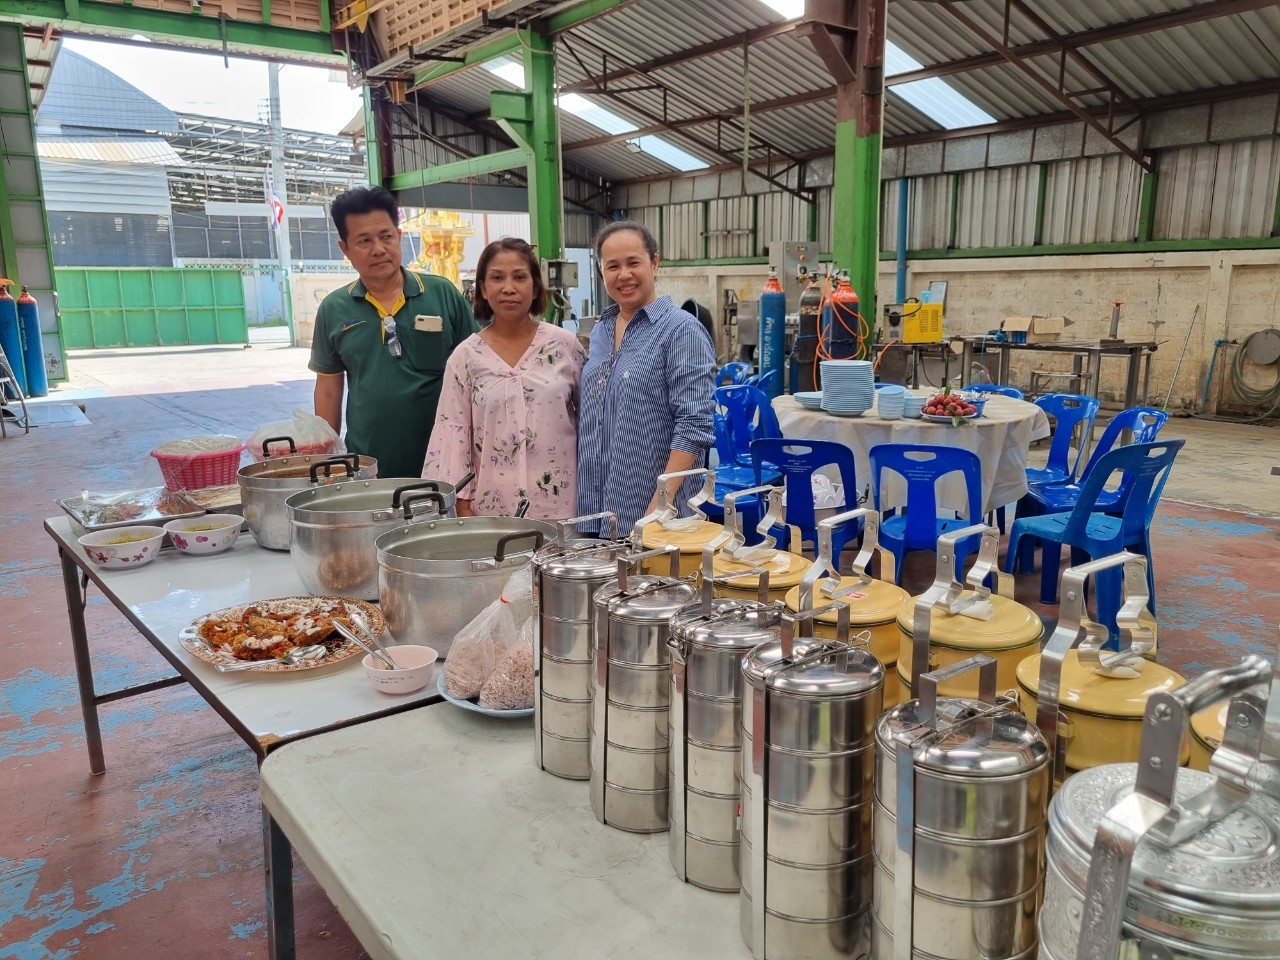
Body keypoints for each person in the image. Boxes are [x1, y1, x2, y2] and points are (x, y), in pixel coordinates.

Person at [310, 186, 476, 479]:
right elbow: (328, 390)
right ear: (345, 249)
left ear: (399, 236)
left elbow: (477, 371)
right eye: (364, 240)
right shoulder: (334, 309)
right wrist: (325, 459)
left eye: (386, 236)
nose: (378, 249)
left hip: (446, 459)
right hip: (368, 464)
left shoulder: (442, 294)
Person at [424, 238, 586, 520]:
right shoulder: (466, 358)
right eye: (497, 278)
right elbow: (453, 436)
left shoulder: (564, 346)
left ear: (535, 287)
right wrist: (462, 505)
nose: (508, 287)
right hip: (492, 512)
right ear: (483, 288)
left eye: (520, 277)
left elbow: (592, 423)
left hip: (563, 506)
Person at [576, 220, 716, 535]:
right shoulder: (601, 331)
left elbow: (694, 424)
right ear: (601, 272)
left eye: (633, 262)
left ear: (654, 263)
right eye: (613, 266)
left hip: (655, 517)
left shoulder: (681, 331)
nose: (624, 274)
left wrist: (661, 504)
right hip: (596, 514)